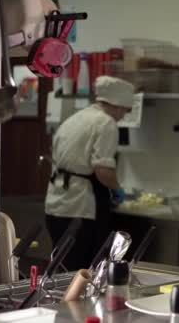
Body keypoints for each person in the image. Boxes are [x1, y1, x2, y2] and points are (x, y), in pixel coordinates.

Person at [44, 76, 134, 270]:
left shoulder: (77, 118)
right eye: (126, 111)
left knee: (60, 267)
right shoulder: (106, 123)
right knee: (81, 271)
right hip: (79, 208)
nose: (124, 116)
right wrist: (117, 189)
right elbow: (103, 170)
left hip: (56, 204)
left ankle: (57, 300)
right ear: (117, 105)